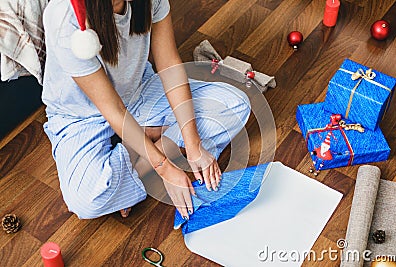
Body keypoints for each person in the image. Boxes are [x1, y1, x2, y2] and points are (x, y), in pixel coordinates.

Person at [41, 0, 251, 220]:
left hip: (139, 91)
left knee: (235, 105)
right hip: (83, 116)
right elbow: (113, 108)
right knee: (86, 202)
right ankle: (148, 145)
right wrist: (165, 169)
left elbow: (169, 65)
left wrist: (193, 144)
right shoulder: (64, 17)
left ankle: (142, 152)